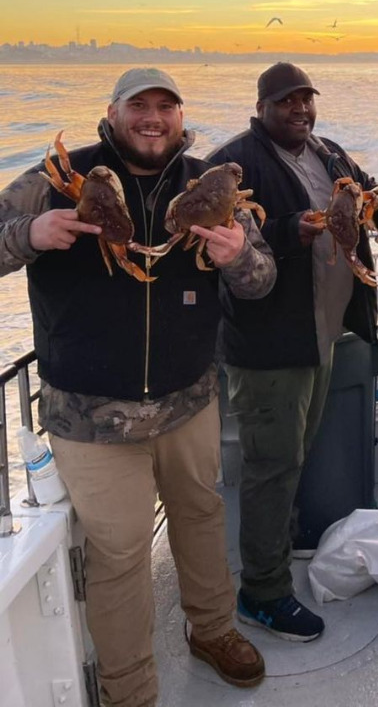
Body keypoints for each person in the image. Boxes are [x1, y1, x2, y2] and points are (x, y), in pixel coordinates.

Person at [0, 67, 277, 707]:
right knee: (120, 554)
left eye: (166, 107)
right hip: (91, 416)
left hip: (189, 401)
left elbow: (261, 284)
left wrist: (240, 258)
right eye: (139, 106)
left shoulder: (209, 182)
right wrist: (31, 233)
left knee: (202, 516)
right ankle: (129, 691)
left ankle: (212, 631)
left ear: (181, 116)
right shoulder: (55, 178)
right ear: (114, 111)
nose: (153, 118)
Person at [209, 61, 378, 643]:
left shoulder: (328, 152)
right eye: (287, 102)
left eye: (306, 100)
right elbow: (231, 248)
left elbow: (368, 197)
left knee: (296, 454)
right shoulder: (237, 163)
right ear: (262, 106)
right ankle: (262, 591)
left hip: (323, 335)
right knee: (271, 465)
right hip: (269, 347)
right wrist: (294, 229)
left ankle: (281, 543)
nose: (299, 111)